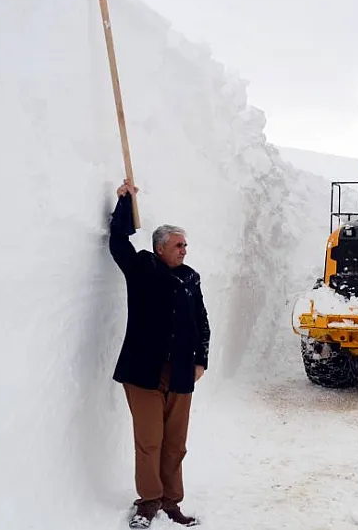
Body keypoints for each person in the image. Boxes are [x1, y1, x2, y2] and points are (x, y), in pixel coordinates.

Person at [108, 178, 210, 528]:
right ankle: (148, 501)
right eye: (179, 245)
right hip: (143, 371)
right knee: (150, 440)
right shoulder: (142, 269)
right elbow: (119, 242)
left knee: (175, 443)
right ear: (160, 248)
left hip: (181, 372)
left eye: (185, 245)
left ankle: (171, 501)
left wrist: (201, 360)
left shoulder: (190, 278)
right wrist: (124, 203)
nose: (184, 250)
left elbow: (201, 320)